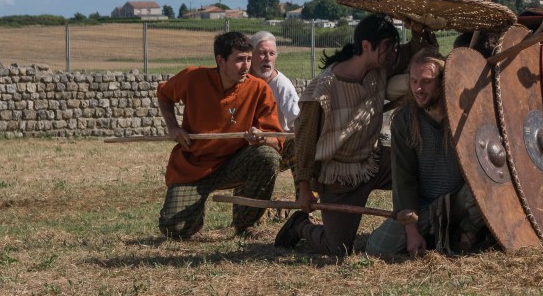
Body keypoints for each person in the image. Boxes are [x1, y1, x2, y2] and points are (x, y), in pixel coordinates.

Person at [274, 14, 436, 255]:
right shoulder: (322, 89)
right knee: (338, 249)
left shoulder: (380, 66)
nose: (392, 52)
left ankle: (423, 229)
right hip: (339, 177)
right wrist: (305, 188)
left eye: (393, 46)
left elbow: (417, 54)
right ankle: (300, 226)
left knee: (422, 171)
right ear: (365, 46)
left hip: (375, 162)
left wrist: (418, 30)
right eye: (387, 47)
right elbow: (305, 142)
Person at [156, 31, 284, 239]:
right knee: (174, 230)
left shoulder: (259, 89)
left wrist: (261, 137)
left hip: (234, 164)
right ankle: (194, 216)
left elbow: (276, 141)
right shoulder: (193, 78)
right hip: (193, 166)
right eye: (240, 60)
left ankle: (246, 225)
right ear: (220, 60)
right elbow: (163, 94)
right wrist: (173, 126)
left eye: (249, 59)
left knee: (267, 156)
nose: (246, 66)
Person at [365, 48, 486, 256]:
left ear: (441, 81)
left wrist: (470, 227)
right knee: (377, 247)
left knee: (478, 195)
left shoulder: (463, 114)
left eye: (426, 81)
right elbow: (404, 180)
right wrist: (411, 230)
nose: (418, 89)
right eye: (414, 82)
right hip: (428, 210)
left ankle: (466, 233)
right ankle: (440, 234)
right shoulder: (404, 120)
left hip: (462, 203)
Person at [249, 30, 299, 133]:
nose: (268, 58)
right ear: (251, 55)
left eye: (272, 54)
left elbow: (298, 120)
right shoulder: (242, 81)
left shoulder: (282, 85)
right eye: (262, 53)